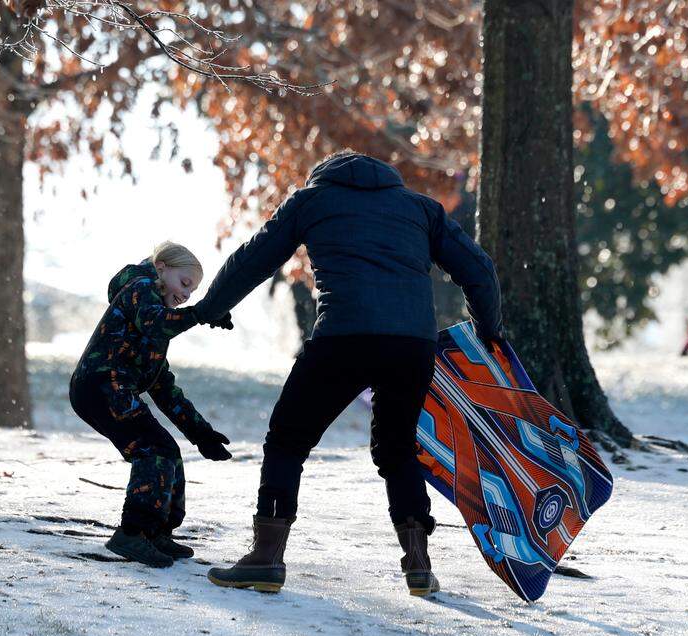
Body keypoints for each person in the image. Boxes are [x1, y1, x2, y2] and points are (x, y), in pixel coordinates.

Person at [190, 150, 503, 597]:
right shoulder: (420, 208)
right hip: (413, 345)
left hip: (343, 337)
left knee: (287, 440)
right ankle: (418, 564)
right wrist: (489, 329)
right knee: (397, 451)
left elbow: (252, 258)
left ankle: (265, 558)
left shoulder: (312, 201)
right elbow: (479, 270)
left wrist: (214, 307)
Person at [69, 241, 235, 568]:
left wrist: (201, 434)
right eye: (184, 284)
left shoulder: (155, 334)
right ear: (161, 269)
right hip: (100, 384)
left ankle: (156, 532)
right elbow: (155, 321)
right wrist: (200, 313)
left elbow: (163, 387)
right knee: (153, 449)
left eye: (193, 290)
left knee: (167, 450)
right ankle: (132, 534)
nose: (187, 294)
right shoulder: (140, 289)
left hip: (113, 387)